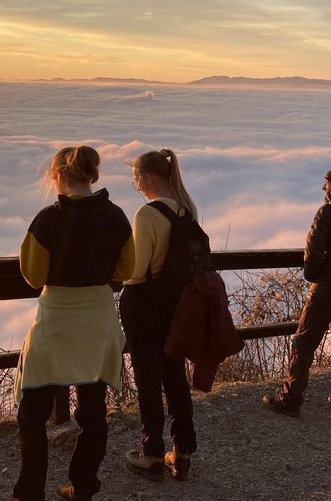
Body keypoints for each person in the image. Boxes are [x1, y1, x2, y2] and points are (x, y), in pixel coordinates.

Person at [12, 146, 134, 501]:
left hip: (57, 324)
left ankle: (29, 492)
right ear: (92, 175)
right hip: (98, 323)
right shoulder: (116, 217)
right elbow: (126, 269)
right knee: (93, 412)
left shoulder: (47, 220)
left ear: (57, 176)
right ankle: (83, 487)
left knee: (32, 415)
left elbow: (34, 277)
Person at [262, 165, 331, 417]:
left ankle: (290, 399)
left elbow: (313, 253)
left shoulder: (327, 213)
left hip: (327, 286)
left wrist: (314, 277)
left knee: (303, 341)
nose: (323, 187)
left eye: (326, 182)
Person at [121, 149, 199, 481]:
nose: (135, 183)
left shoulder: (147, 215)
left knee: (148, 380)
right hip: (177, 303)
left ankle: (151, 454)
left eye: (136, 177)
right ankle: (182, 452)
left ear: (149, 177)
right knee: (175, 375)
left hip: (146, 304)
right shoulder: (187, 208)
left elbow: (137, 271)